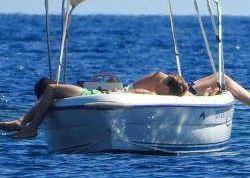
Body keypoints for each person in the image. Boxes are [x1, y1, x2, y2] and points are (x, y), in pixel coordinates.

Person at [8, 73, 189, 140]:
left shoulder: (149, 95)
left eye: (163, 82)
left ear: (166, 87)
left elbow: (124, 95)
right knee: (51, 92)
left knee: (51, 88)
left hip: (95, 96)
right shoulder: (153, 96)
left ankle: (29, 127)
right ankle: (22, 122)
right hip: (101, 95)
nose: (159, 81)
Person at [131, 71, 250, 116]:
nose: (159, 82)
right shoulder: (155, 86)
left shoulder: (159, 82)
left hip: (185, 91)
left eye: (162, 82)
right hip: (186, 93)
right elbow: (138, 92)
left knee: (221, 76)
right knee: (223, 80)